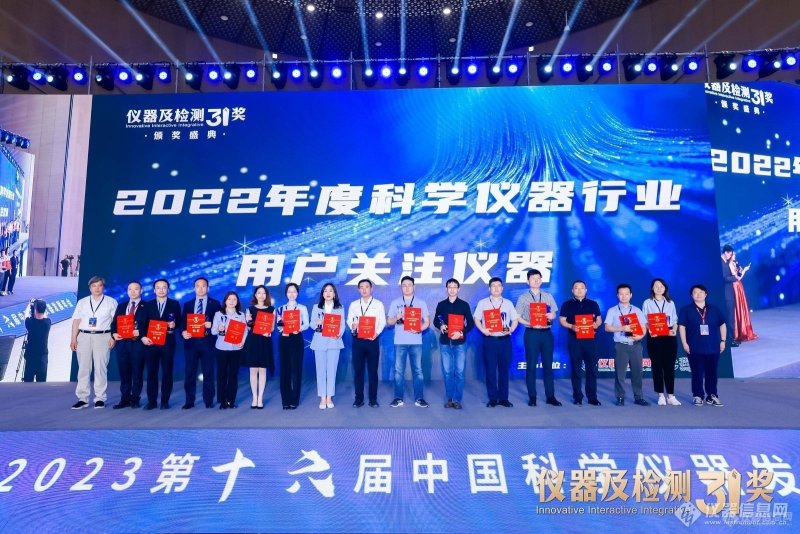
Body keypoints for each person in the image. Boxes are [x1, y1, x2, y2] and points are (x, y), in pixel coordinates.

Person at [514, 269, 561, 407]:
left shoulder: (548, 296)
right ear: (527, 281)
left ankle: (550, 396)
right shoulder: (523, 298)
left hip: (546, 334)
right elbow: (517, 317)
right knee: (531, 365)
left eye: (538, 278)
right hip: (531, 333)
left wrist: (552, 316)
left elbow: (554, 313)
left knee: (548, 365)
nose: (536, 280)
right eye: (533, 278)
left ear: (541, 280)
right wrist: (530, 323)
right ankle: (532, 397)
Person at [69, 276, 118, 409]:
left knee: (101, 368)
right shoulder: (82, 302)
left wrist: (113, 338)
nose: (97, 288)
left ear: (103, 287)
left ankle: (100, 398)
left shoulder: (111, 302)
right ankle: (83, 398)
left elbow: (116, 322)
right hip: (84, 336)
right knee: (83, 368)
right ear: (90, 287)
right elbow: (76, 321)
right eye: (94, 286)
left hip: (103, 336)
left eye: (100, 285)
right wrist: (73, 338)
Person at [678, 284, 727, 407]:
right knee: (697, 373)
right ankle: (698, 395)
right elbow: (682, 327)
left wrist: (723, 340)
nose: (698, 294)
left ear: (706, 294)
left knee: (712, 373)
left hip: (713, 347)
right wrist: (684, 343)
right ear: (691, 295)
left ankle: (712, 395)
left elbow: (722, 324)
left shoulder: (714, 309)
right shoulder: (686, 310)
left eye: (701, 292)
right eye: (695, 292)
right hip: (694, 347)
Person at [474, 277, 518, 408]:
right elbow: (476, 318)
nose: (496, 288)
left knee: (504, 370)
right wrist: (483, 330)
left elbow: (515, 319)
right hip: (490, 341)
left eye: (499, 285)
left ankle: (504, 398)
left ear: (502, 288)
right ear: (489, 288)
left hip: (505, 341)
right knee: (491, 370)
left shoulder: (508, 303)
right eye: (493, 286)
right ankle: (493, 398)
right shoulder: (483, 303)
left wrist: (511, 329)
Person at [388, 276, 430, 408]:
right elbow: (389, 322)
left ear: (414, 287)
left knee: (418, 370)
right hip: (400, 341)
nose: (407, 288)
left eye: (409, 285)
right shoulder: (395, 302)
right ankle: (398, 398)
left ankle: (419, 398)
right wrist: (396, 318)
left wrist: (419, 329)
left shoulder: (421, 303)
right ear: (401, 287)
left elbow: (427, 322)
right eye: (404, 285)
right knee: (398, 371)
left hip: (416, 341)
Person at [559, 280, 603, 406]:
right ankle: (578, 396)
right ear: (572, 290)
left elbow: (599, 319)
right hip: (575, 340)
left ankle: (592, 397)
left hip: (590, 340)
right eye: (576, 288)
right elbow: (562, 320)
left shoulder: (593, 304)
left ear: (586, 290)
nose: (579, 290)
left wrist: (596, 325)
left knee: (591, 369)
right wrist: (571, 326)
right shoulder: (567, 304)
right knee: (576, 369)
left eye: (582, 288)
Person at [432, 278, 475, 409]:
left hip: (460, 343)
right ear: (446, 289)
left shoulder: (464, 305)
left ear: (458, 289)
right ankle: (449, 398)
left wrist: (461, 332)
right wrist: (440, 326)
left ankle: (457, 399)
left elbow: (471, 323)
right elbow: (435, 321)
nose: (452, 289)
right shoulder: (441, 304)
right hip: (445, 342)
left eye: (454, 287)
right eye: (449, 287)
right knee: (447, 372)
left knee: (460, 372)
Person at [604, 284, 649, 407]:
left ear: (631, 295)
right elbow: (607, 327)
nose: (624, 296)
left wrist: (640, 336)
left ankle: (638, 397)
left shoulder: (637, 310)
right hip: (621, 345)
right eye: (621, 294)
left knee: (638, 372)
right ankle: (620, 397)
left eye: (626, 294)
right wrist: (622, 328)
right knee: (620, 373)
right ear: (617, 295)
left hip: (636, 345)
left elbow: (644, 327)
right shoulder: (612, 310)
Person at [180, 277, 222, 409]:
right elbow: (183, 324)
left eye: (203, 286)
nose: (200, 288)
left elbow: (221, 323)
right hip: (191, 344)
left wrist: (212, 324)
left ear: (208, 288)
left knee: (208, 373)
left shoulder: (215, 304)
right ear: (194, 288)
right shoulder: (187, 304)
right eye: (197, 286)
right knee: (189, 373)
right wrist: (183, 332)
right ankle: (189, 401)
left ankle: (208, 401)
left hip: (208, 343)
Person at [140, 279, 181, 409]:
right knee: (151, 373)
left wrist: (175, 324)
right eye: (158, 287)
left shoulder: (174, 304)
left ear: (168, 289)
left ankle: (165, 401)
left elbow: (180, 321)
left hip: (168, 342)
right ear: (154, 290)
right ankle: (152, 401)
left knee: (167, 372)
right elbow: (142, 323)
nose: (161, 290)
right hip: (151, 343)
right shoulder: (148, 305)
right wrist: (143, 337)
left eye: (164, 287)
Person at [347, 279, 386, 408]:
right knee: (358, 372)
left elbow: (382, 321)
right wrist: (352, 326)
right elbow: (349, 320)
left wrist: (377, 333)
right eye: (361, 287)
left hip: (372, 341)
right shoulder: (354, 305)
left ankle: (373, 399)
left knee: (373, 372)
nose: (364, 289)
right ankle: (359, 399)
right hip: (358, 341)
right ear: (358, 290)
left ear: (371, 289)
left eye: (367, 287)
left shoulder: (378, 304)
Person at [642, 278, 680, 406]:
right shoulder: (647, 302)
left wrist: (674, 330)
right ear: (652, 288)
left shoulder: (670, 303)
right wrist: (650, 329)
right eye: (656, 286)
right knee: (657, 366)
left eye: (661, 286)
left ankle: (671, 395)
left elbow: (674, 320)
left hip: (669, 336)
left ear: (665, 288)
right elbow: (644, 320)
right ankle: (660, 395)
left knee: (669, 366)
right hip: (654, 336)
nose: (659, 288)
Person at [110, 281, 148, 408]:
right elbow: (114, 323)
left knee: (137, 372)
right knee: (124, 373)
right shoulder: (121, 306)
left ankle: (135, 399)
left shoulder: (147, 306)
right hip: (122, 344)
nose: (133, 292)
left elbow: (151, 324)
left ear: (141, 290)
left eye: (136, 289)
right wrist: (114, 333)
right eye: (130, 289)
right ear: (127, 291)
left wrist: (140, 332)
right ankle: (124, 399)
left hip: (138, 344)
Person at [310, 283, 346, 409]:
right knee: (320, 371)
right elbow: (312, 324)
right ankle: (322, 398)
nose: (328, 293)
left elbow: (342, 324)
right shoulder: (316, 307)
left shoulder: (340, 307)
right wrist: (317, 323)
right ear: (323, 294)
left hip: (334, 342)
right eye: (325, 291)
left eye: (331, 291)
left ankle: (329, 397)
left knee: (332, 371)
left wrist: (339, 334)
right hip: (319, 342)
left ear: (334, 294)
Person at [276, 282, 309, 410]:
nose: (291, 294)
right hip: (284, 339)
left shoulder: (302, 308)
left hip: (296, 338)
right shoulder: (281, 309)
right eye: (289, 291)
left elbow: (306, 324)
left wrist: (299, 328)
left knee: (296, 370)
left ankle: (294, 400)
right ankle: (285, 400)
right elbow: (279, 325)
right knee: (285, 370)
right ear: (286, 293)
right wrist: (282, 330)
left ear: (297, 293)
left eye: (294, 291)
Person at [212, 291, 248, 409]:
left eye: (234, 299)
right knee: (221, 375)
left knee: (233, 375)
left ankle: (231, 401)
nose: (232, 302)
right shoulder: (218, 314)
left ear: (237, 302)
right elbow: (212, 331)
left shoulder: (241, 315)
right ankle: (222, 401)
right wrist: (219, 328)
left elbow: (245, 331)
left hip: (235, 349)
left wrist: (242, 341)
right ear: (225, 301)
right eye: (229, 299)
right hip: (221, 348)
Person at [243, 285, 276, 409]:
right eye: (259, 293)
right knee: (253, 370)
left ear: (266, 295)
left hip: (265, 341)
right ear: (255, 295)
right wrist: (249, 321)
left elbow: (272, 328)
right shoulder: (249, 309)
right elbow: (248, 327)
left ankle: (260, 398)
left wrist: (267, 330)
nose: (261, 295)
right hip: (253, 341)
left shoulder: (271, 309)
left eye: (264, 293)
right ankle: (254, 398)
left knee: (262, 370)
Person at [729, 252, 757, 342]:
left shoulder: (735, 263)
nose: (735, 256)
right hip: (735, 286)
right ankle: (739, 332)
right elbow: (737, 278)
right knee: (738, 306)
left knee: (742, 306)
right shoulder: (730, 264)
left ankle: (744, 329)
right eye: (733, 255)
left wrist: (743, 270)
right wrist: (744, 270)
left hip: (739, 286)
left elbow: (739, 276)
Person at [23, 299, 51, 382]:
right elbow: (45, 316)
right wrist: (40, 303)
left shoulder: (30, 322)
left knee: (28, 382)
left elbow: (25, 315)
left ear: (35, 310)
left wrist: (29, 304)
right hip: (42, 357)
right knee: (41, 382)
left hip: (31, 357)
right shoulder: (47, 323)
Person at [720, 245, 740, 347]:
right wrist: (735, 277)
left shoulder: (726, 262)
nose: (731, 256)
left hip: (728, 293)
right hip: (726, 294)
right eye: (730, 254)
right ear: (726, 252)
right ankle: (730, 340)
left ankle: (730, 339)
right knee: (729, 317)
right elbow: (724, 278)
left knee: (730, 317)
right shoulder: (721, 263)